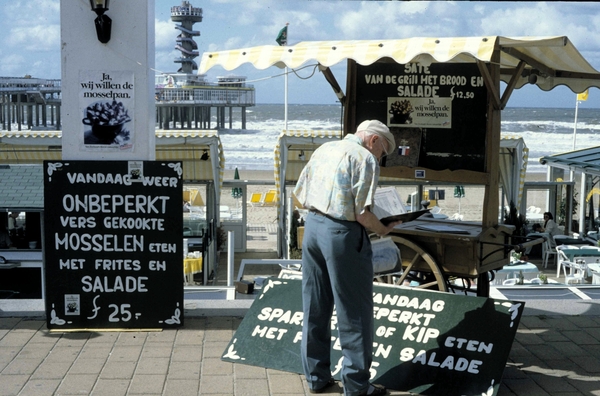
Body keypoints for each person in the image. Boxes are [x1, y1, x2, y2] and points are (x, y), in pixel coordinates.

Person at [293, 120, 401, 396]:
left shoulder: (326, 148)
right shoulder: (365, 158)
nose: (381, 157)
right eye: (383, 151)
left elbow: (299, 195)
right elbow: (362, 214)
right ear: (374, 140)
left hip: (313, 227)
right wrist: (383, 227)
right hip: (341, 234)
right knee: (354, 312)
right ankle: (356, 385)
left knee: (315, 306)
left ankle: (316, 377)